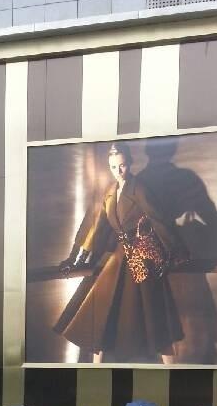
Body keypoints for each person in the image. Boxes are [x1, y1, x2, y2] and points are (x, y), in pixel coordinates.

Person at [56, 142, 186, 363]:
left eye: (123, 165)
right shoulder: (109, 191)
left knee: (156, 323)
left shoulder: (140, 188)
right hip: (117, 259)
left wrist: (175, 251)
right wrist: (75, 257)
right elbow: (93, 225)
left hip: (142, 262)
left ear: (130, 163)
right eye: (114, 167)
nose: (119, 171)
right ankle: (96, 371)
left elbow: (158, 221)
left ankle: (172, 372)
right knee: (100, 316)